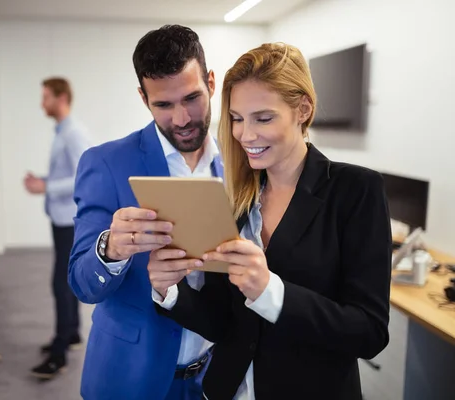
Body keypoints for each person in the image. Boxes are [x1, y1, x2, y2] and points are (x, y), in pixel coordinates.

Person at [148, 43, 392, 400]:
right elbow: (220, 322)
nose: (246, 135)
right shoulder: (237, 201)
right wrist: (169, 290)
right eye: (236, 118)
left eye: (263, 118)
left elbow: (369, 332)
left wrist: (270, 292)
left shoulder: (357, 190)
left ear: (302, 110)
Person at [68, 25, 221, 400]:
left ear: (212, 82)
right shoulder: (105, 163)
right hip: (129, 378)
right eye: (163, 105)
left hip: (216, 379)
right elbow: (81, 282)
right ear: (143, 98)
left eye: (191, 98)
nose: (182, 118)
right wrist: (111, 250)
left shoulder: (241, 163)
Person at [24, 77, 91, 379]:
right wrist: (44, 180)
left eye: (46, 97)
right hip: (61, 219)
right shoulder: (63, 131)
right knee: (64, 281)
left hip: (69, 222)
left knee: (60, 284)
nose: (42, 103)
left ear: (61, 98)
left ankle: (59, 353)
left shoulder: (74, 133)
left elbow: (83, 176)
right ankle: (73, 334)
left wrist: (46, 186)